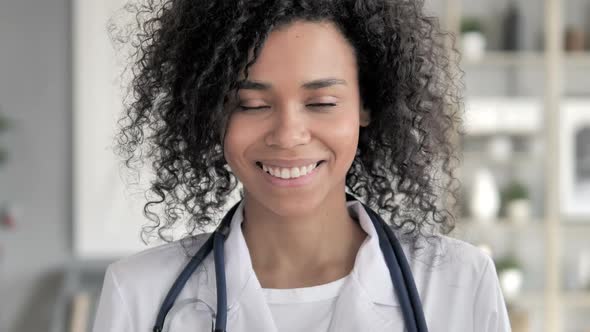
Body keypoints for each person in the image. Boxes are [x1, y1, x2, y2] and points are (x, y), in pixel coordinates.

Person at [93, 0, 511, 331]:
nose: (288, 134)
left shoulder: (460, 283)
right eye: (251, 105)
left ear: (365, 105)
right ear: (212, 112)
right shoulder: (139, 294)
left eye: (322, 103)